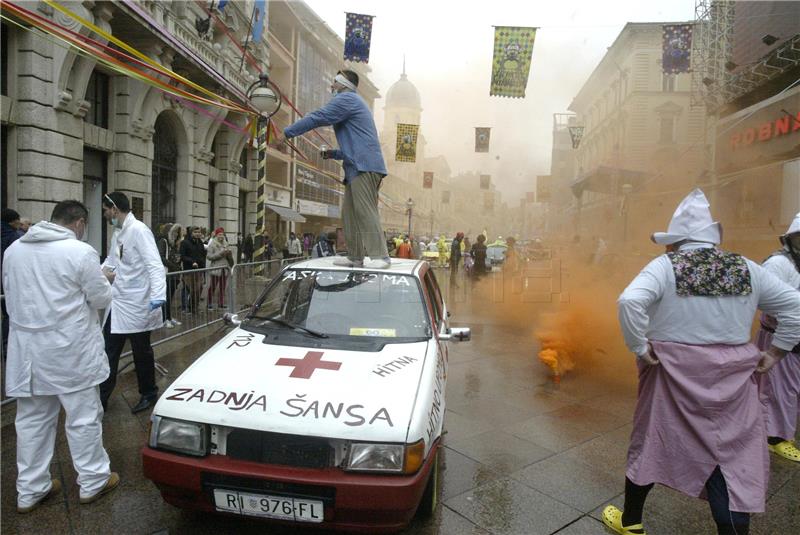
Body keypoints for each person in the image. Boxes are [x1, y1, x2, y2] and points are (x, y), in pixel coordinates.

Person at [602, 189, 800, 535]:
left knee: (651, 443)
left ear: (675, 242)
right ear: (712, 240)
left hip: (670, 380)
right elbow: (796, 307)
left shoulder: (665, 266)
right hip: (733, 386)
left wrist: (640, 348)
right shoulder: (746, 268)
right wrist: (775, 352)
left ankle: (631, 521)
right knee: (732, 458)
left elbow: (629, 302)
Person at [4, 200, 120, 511]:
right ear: (80, 223)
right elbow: (99, 297)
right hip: (71, 350)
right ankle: (93, 480)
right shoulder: (79, 252)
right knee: (82, 417)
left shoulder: (13, 251)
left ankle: (30, 489)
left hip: (27, 352)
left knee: (31, 421)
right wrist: (106, 280)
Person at [277, 69, 390, 269]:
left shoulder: (348, 99)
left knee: (365, 212)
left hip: (365, 166)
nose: (331, 87)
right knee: (349, 214)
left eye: (334, 83)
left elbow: (318, 117)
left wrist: (287, 133)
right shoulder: (352, 101)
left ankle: (380, 256)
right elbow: (353, 146)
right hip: (357, 166)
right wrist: (332, 154)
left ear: (343, 84)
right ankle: (355, 256)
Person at [99, 192, 166, 414]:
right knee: (108, 352)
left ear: (115, 209)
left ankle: (148, 393)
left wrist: (158, 295)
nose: (105, 215)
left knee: (141, 353)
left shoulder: (139, 231)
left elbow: (154, 265)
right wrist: (98, 274)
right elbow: (111, 261)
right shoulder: (117, 233)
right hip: (118, 303)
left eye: (106, 211)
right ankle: (101, 398)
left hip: (139, 304)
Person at [756, 212, 800, 463]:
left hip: (794, 340)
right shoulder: (778, 264)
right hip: (779, 339)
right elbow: (769, 302)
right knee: (779, 392)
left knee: (789, 391)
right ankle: (776, 439)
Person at [180, 226, 207, 313]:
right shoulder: (185, 242)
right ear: (191, 233)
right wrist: (192, 262)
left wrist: (203, 267)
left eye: (199, 232)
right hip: (189, 270)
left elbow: (202, 255)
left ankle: (194, 307)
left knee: (199, 289)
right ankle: (187, 307)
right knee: (190, 289)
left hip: (199, 270)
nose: (198, 234)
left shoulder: (200, 242)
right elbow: (183, 256)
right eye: (195, 232)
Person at [206, 228, 231, 310]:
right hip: (216, 268)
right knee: (212, 286)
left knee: (222, 287)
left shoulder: (226, 243)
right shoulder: (212, 244)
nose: (221, 236)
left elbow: (228, 257)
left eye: (222, 234)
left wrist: (228, 254)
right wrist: (221, 253)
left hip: (224, 268)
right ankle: (209, 303)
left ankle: (221, 303)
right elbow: (209, 257)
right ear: (216, 235)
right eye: (219, 234)